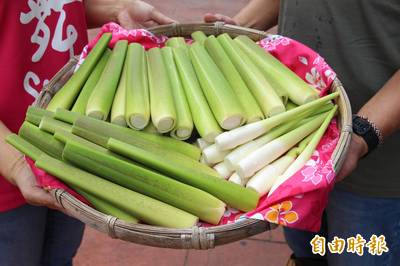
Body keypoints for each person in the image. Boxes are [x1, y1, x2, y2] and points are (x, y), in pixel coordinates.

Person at [205, 0, 400, 265]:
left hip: (375, 166)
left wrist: (360, 136)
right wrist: (240, 28)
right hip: (292, 139)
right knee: (306, 249)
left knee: (356, 256)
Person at [0, 1, 174, 265]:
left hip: (71, 148)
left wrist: (116, 9)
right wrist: (15, 165)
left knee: (60, 256)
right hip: (8, 173)